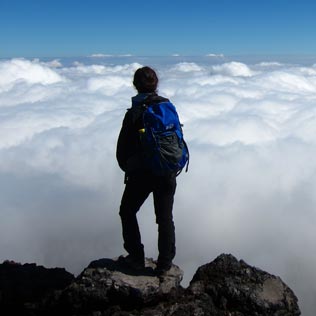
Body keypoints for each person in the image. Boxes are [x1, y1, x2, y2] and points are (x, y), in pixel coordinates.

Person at [116, 66, 178, 275]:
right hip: (167, 172)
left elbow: (122, 150)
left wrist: (129, 167)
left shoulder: (135, 113)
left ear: (135, 86)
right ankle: (165, 264)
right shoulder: (167, 107)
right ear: (156, 84)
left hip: (142, 174)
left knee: (127, 211)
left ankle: (136, 257)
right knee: (164, 218)